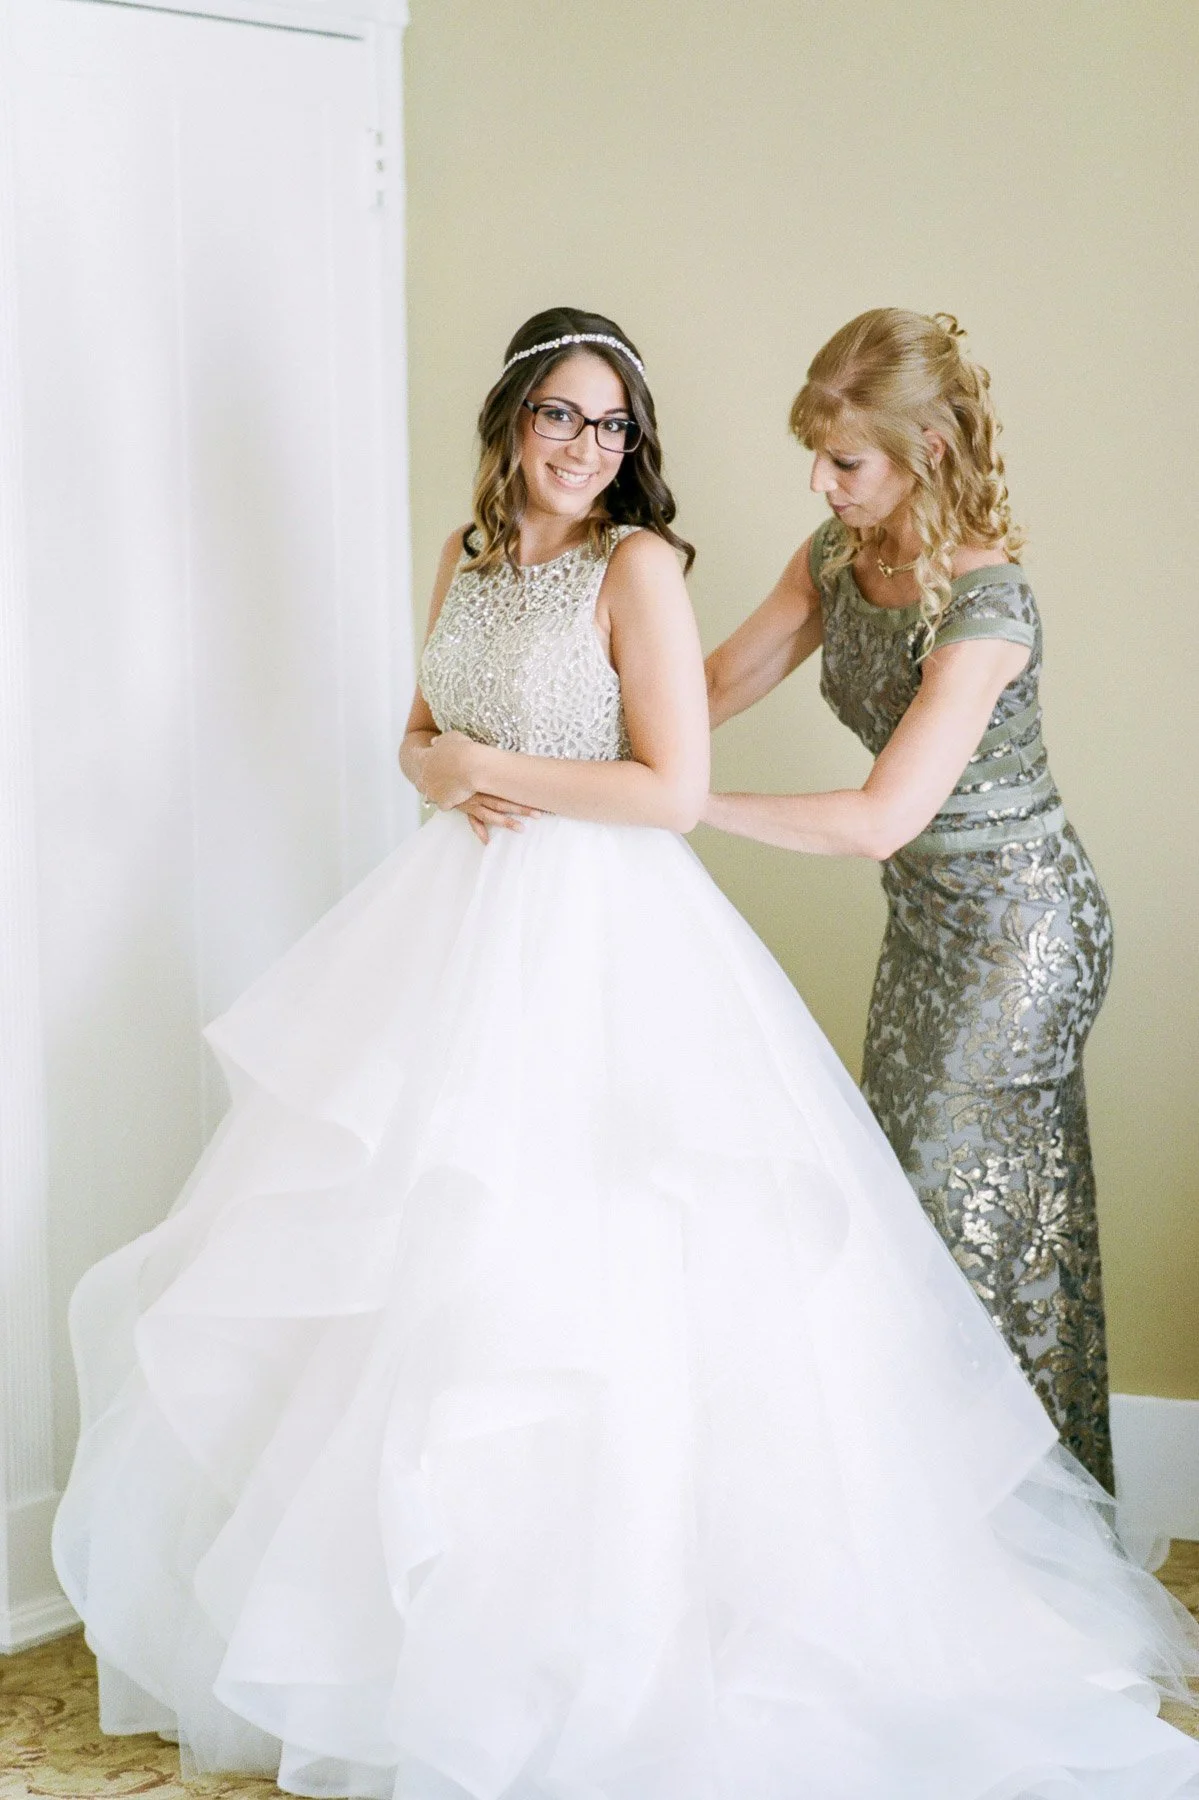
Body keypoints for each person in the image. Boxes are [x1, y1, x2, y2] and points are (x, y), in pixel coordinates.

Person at [54, 306, 1199, 1800]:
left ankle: (987, 1544)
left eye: (610, 426)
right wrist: (461, 766)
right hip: (478, 914)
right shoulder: (488, 561)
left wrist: (605, 790)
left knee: (894, 1228)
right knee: (442, 1238)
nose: (588, 449)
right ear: (510, 423)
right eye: (561, 419)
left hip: (947, 920)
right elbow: (514, 725)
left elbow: (706, 783)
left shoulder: (798, 583)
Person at [703, 308, 1116, 1491]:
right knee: (931, 1220)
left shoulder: (987, 609)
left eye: (847, 461)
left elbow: (886, 815)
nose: (824, 486)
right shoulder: (835, 557)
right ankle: (956, 1535)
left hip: (1022, 940)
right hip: (927, 929)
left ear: (926, 447)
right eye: (816, 459)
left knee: (953, 1232)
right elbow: (722, 677)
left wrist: (680, 802)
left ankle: (1009, 1533)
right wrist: (579, 749)